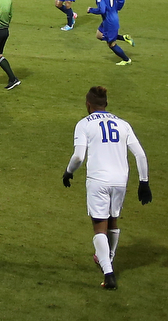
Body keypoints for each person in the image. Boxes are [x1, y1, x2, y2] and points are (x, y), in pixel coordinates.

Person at [63, 85, 152, 290]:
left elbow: (78, 156)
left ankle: (109, 274)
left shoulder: (84, 124)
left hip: (98, 180)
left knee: (99, 227)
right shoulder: (123, 124)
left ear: (88, 105)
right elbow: (140, 154)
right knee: (113, 219)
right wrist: (144, 182)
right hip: (120, 180)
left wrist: (68, 172)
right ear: (107, 104)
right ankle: (108, 260)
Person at [85, 0, 134, 64]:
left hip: (110, 21)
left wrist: (91, 10)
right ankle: (124, 38)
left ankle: (126, 60)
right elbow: (122, 0)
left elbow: (102, 10)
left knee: (111, 44)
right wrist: (115, 9)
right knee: (99, 35)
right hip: (111, 17)